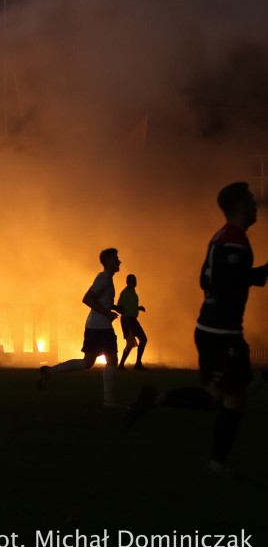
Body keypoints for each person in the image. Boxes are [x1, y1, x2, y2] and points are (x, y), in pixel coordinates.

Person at [127, 182, 268, 477]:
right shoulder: (235, 241)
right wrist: (255, 277)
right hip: (223, 332)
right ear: (240, 207)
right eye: (251, 202)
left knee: (221, 396)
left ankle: (162, 404)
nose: (256, 206)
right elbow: (229, 281)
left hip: (210, 328)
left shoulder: (220, 238)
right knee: (230, 398)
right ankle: (216, 465)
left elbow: (208, 281)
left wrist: (252, 276)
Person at [39, 248, 121, 406]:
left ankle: (50, 372)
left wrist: (115, 308)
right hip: (101, 327)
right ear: (108, 261)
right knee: (112, 360)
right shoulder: (104, 278)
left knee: (87, 363)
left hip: (95, 327)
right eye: (116, 258)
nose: (119, 261)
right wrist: (107, 313)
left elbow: (99, 299)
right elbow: (88, 298)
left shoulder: (105, 278)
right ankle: (108, 400)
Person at [117, 274, 148, 370]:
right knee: (132, 342)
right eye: (132, 281)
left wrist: (138, 308)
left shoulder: (133, 293)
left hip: (133, 320)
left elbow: (130, 306)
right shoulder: (125, 293)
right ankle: (127, 364)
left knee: (141, 340)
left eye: (135, 280)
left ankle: (133, 364)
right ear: (127, 282)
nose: (135, 283)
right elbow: (119, 307)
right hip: (127, 320)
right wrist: (124, 314)